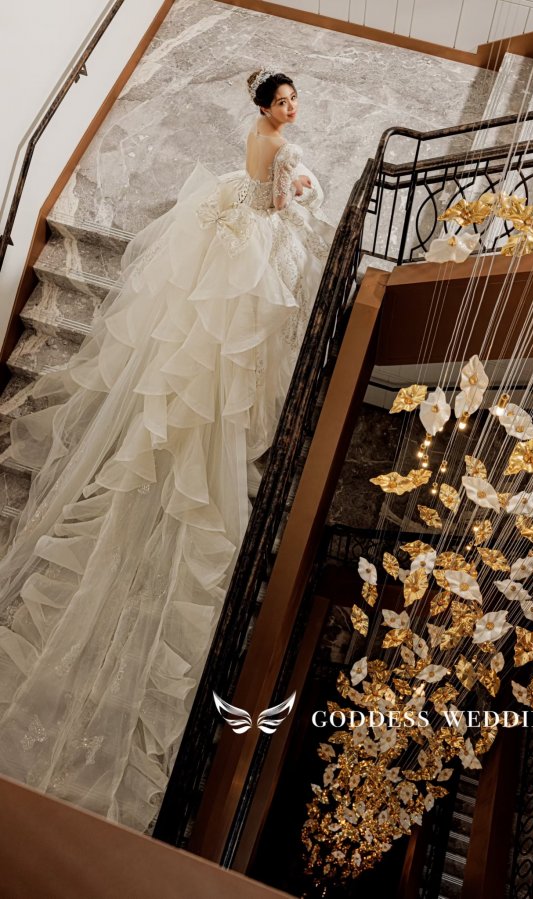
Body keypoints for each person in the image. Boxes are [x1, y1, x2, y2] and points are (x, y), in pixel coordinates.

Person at [0, 69, 334, 831]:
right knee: (226, 350)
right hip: (254, 230)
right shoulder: (269, 142)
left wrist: (291, 184)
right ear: (264, 107)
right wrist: (298, 193)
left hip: (239, 222)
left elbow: (262, 188)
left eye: (293, 101)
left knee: (209, 340)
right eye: (282, 101)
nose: (291, 109)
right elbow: (274, 203)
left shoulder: (263, 137)